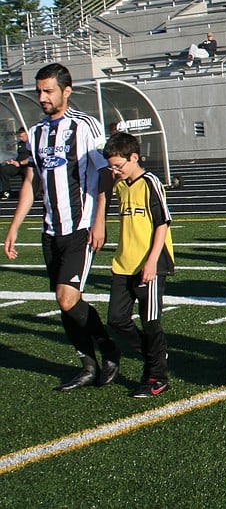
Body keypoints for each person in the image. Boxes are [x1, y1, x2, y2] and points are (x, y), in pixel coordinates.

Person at [4, 63, 120, 391]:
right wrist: (14, 228)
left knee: (67, 297)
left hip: (80, 227)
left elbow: (104, 174)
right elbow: (31, 182)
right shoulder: (38, 131)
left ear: (66, 91)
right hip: (50, 229)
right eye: (39, 91)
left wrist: (99, 221)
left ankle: (109, 349)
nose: (42, 97)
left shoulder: (85, 127)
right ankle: (87, 364)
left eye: (48, 91)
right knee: (63, 301)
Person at [103, 131, 175, 398]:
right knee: (116, 319)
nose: (114, 170)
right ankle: (153, 355)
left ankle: (157, 376)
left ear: (134, 157)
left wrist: (152, 261)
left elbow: (163, 223)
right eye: (111, 166)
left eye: (118, 165)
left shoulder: (150, 182)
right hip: (123, 264)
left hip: (150, 265)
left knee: (150, 321)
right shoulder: (119, 185)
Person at [0, 127, 31, 198]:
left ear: (27, 135)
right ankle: (6, 191)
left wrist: (20, 163)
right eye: (19, 136)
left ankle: (28, 192)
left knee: (27, 172)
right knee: (4, 169)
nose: (20, 138)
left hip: (28, 165)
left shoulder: (32, 143)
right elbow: (18, 156)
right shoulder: (20, 144)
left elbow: (32, 158)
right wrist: (12, 161)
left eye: (22, 136)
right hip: (18, 165)